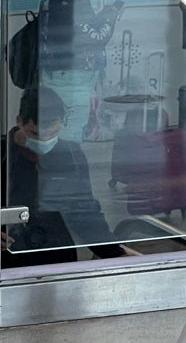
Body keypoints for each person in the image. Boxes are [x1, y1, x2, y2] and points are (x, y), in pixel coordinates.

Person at [2, 87, 124, 267]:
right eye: (35, 134)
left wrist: (117, 254)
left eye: (51, 134)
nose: (44, 142)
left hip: (58, 257)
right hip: (8, 260)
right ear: (19, 121)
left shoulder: (71, 156)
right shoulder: (4, 155)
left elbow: (86, 214)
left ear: (61, 123)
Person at [36, 0, 122, 143]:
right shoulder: (73, 2)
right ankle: (66, 165)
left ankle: (53, 161)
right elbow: (96, 38)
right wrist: (110, 16)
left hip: (50, 72)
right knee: (71, 129)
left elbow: (77, 30)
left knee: (53, 125)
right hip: (74, 76)